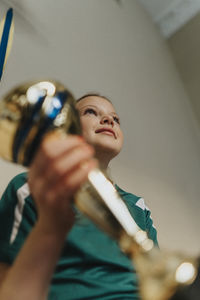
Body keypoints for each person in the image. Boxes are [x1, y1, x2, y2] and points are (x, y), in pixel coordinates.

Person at [0, 94, 158, 300]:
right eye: (91, 112)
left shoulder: (138, 207)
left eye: (115, 119)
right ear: (68, 128)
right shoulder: (33, 187)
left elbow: (156, 276)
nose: (109, 120)